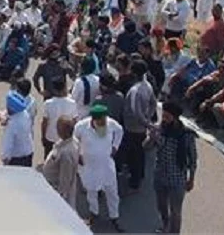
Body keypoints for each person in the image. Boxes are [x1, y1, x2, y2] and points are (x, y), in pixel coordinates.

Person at [145, 101, 197, 234]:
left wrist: (191, 179)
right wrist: (151, 138)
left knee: (176, 211)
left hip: (177, 178)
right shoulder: (158, 129)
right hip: (160, 175)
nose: (164, 119)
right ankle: (165, 225)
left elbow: (192, 159)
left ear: (175, 117)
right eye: (164, 115)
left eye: (168, 116)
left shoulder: (186, 135)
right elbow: (146, 147)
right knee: (161, 206)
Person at [74, 104, 125, 231]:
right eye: (100, 121)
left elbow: (120, 131)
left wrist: (115, 147)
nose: (103, 123)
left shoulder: (111, 124)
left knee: (112, 192)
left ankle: (114, 217)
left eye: (104, 120)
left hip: (106, 165)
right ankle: (94, 213)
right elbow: (74, 140)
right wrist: (78, 154)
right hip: (89, 166)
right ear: (93, 120)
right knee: (91, 191)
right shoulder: (81, 127)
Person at [123, 60, 157, 192]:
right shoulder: (147, 85)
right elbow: (153, 103)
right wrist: (148, 116)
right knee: (140, 152)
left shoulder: (135, 91)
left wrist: (146, 123)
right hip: (141, 127)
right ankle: (140, 175)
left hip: (133, 127)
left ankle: (134, 182)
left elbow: (136, 112)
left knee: (134, 155)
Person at [42, 116, 80, 209]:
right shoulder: (66, 143)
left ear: (64, 131)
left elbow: (65, 181)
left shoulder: (66, 153)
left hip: (55, 192)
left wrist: (58, 201)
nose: (56, 130)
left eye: (58, 128)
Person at [41, 78, 77, 158]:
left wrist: (43, 136)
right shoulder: (72, 103)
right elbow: (74, 121)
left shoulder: (48, 104)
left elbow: (44, 122)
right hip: (66, 138)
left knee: (49, 160)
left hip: (51, 137)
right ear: (64, 87)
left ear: (53, 89)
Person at [0, 90, 34, 166]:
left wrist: (5, 160)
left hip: (17, 158)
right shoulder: (25, 114)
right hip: (29, 152)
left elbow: (7, 145)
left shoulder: (12, 125)